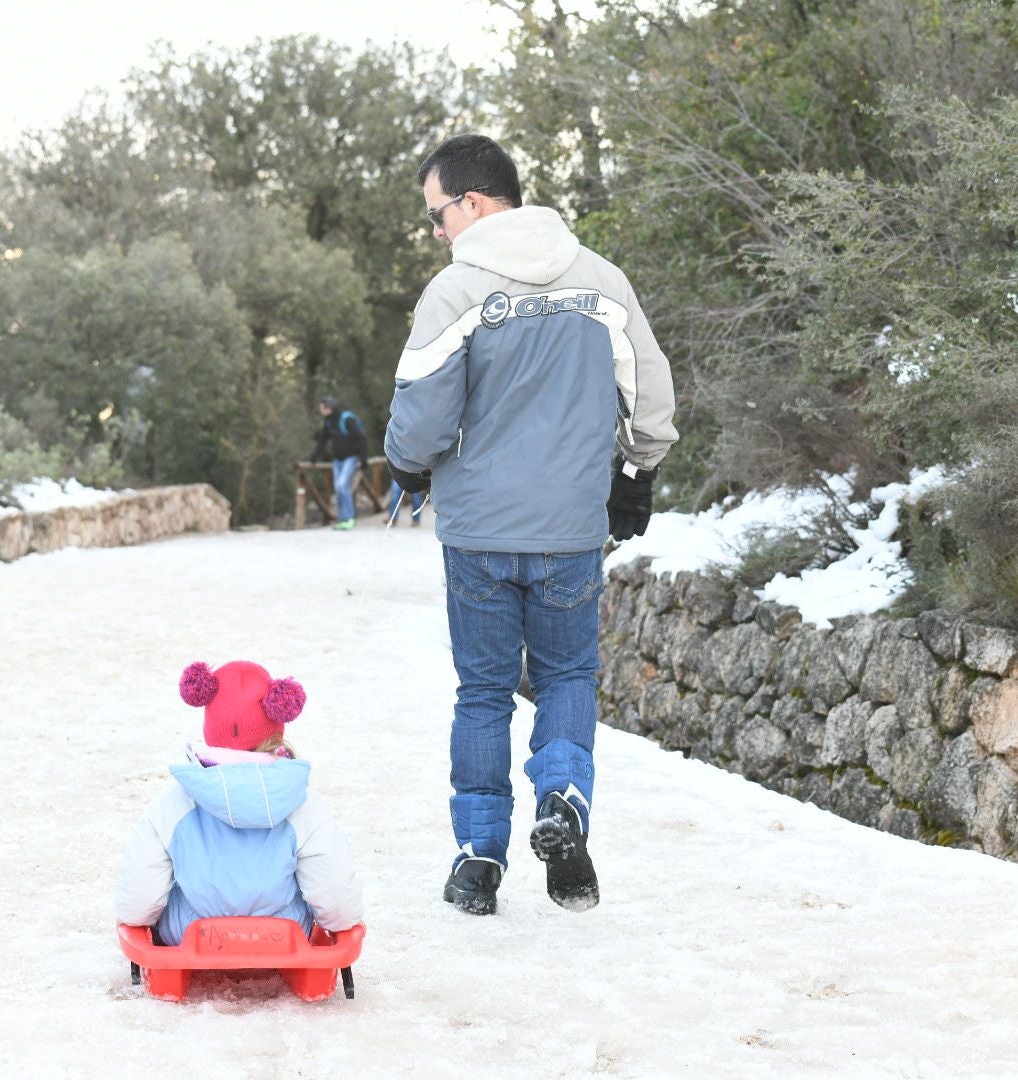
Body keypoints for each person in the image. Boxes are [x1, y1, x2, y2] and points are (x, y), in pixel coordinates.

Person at [384, 134, 677, 916]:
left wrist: (408, 466)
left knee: (482, 693)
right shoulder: (602, 281)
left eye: (438, 215)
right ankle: (566, 805)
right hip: (572, 531)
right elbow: (650, 392)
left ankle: (479, 860)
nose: (438, 232)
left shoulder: (455, 294)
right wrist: (635, 472)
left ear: (473, 204)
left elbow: (419, 416)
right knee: (567, 678)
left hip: (478, 534)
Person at [114, 660, 363, 945]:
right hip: (283, 935)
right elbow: (333, 888)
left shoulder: (175, 802)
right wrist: (342, 923)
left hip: (191, 934)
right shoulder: (302, 803)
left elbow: (139, 893)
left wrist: (137, 920)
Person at [310, 396, 369, 530]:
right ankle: (342, 519)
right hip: (338, 460)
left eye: (322, 408)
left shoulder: (347, 419)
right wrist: (314, 456)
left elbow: (361, 438)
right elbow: (323, 440)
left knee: (343, 485)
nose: (320, 411)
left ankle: (350, 518)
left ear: (328, 408)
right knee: (338, 488)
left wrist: (363, 459)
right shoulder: (329, 422)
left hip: (351, 458)